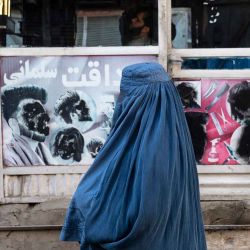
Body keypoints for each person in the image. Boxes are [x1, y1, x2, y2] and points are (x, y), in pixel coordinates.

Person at [60, 62, 207, 250]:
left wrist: (86, 205)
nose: (123, 102)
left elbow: (130, 216)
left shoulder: (146, 149)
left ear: (137, 100)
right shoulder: (176, 142)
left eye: (127, 96)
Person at [1, 85, 54, 166]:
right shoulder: (8, 159)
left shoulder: (46, 152)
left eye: (42, 113)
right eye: (32, 115)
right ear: (14, 125)